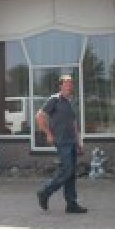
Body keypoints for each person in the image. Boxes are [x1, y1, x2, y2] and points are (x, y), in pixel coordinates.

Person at [35, 74, 87, 214]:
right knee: (67, 170)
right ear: (61, 86)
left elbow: (74, 124)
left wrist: (79, 142)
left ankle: (71, 204)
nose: (69, 85)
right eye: (67, 83)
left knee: (71, 173)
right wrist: (48, 133)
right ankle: (45, 192)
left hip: (72, 141)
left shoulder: (71, 102)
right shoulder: (54, 99)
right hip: (62, 141)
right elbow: (39, 116)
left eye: (71, 83)